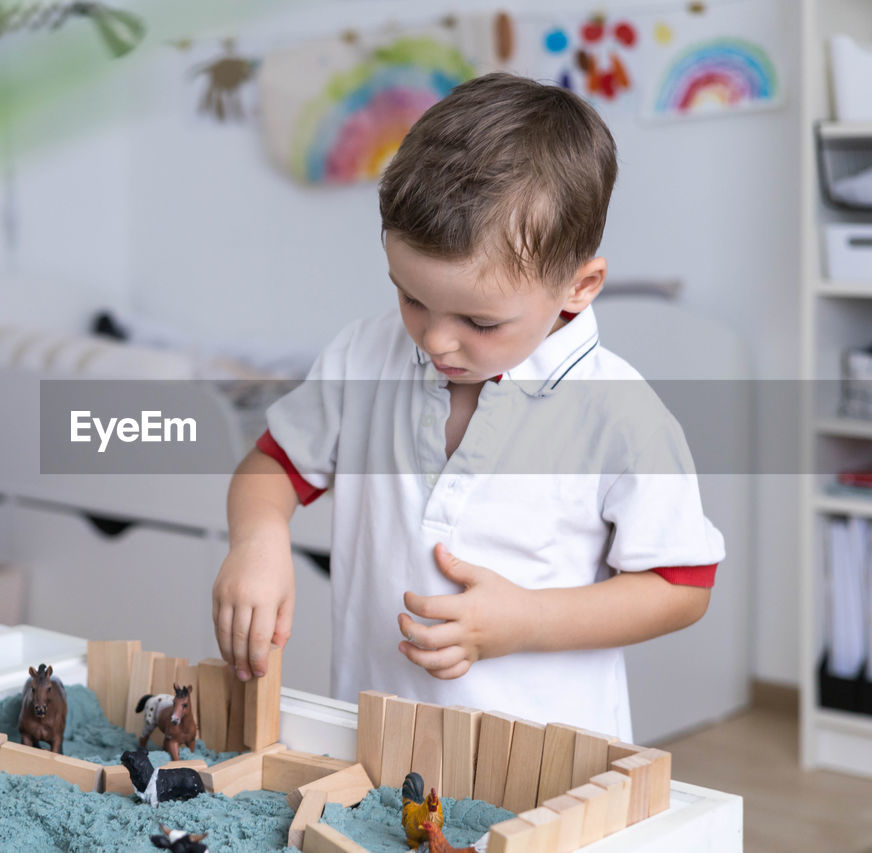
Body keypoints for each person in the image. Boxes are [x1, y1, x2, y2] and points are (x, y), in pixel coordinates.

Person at [210, 73, 723, 739]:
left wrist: (528, 620)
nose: (435, 339)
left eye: (480, 322)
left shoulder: (619, 415)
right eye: (412, 297)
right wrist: (259, 538)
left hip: (544, 778)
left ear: (579, 286)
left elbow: (681, 586)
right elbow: (271, 466)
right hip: (374, 748)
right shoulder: (364, 355)